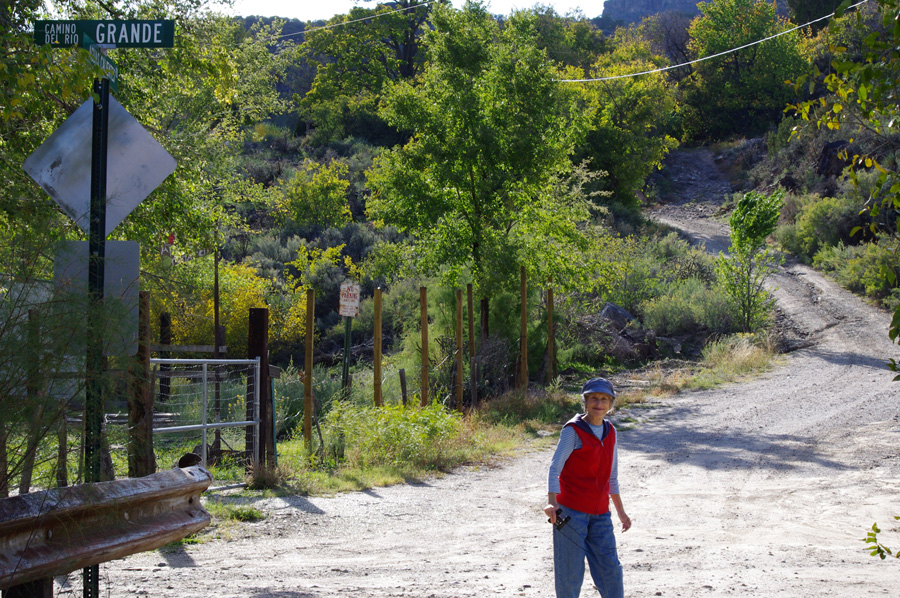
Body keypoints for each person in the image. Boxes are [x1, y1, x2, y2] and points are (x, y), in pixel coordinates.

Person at [544, 377, 631, 598]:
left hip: (601, 514)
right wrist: (552, 504)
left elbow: (612, 476)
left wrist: (620, 512)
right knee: (570, 575)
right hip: (570, 513)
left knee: (610, 570)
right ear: (585, 401)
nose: (599, 404)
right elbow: (555, 468)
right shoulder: (573, 430)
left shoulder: (611, 431)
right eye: (594, 398)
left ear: (611, 404)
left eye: (604, 399)